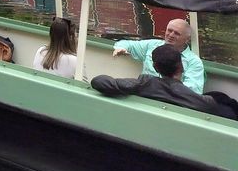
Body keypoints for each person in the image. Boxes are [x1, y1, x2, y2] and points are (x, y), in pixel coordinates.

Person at [91, 45, 236, 120]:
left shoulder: (143, 85)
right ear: (182, 67)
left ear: (155, 67)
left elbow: (98, 82)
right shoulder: (206, 102)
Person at [113, 19, 205, 94]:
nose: (171, 35)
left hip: (171, 100)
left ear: (187, 39)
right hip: (144, 93)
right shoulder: (152, 45)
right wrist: (121, 48)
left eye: (176, 33)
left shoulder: (194, 62)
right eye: (169, 30)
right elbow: (125, 43)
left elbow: (193, 90)